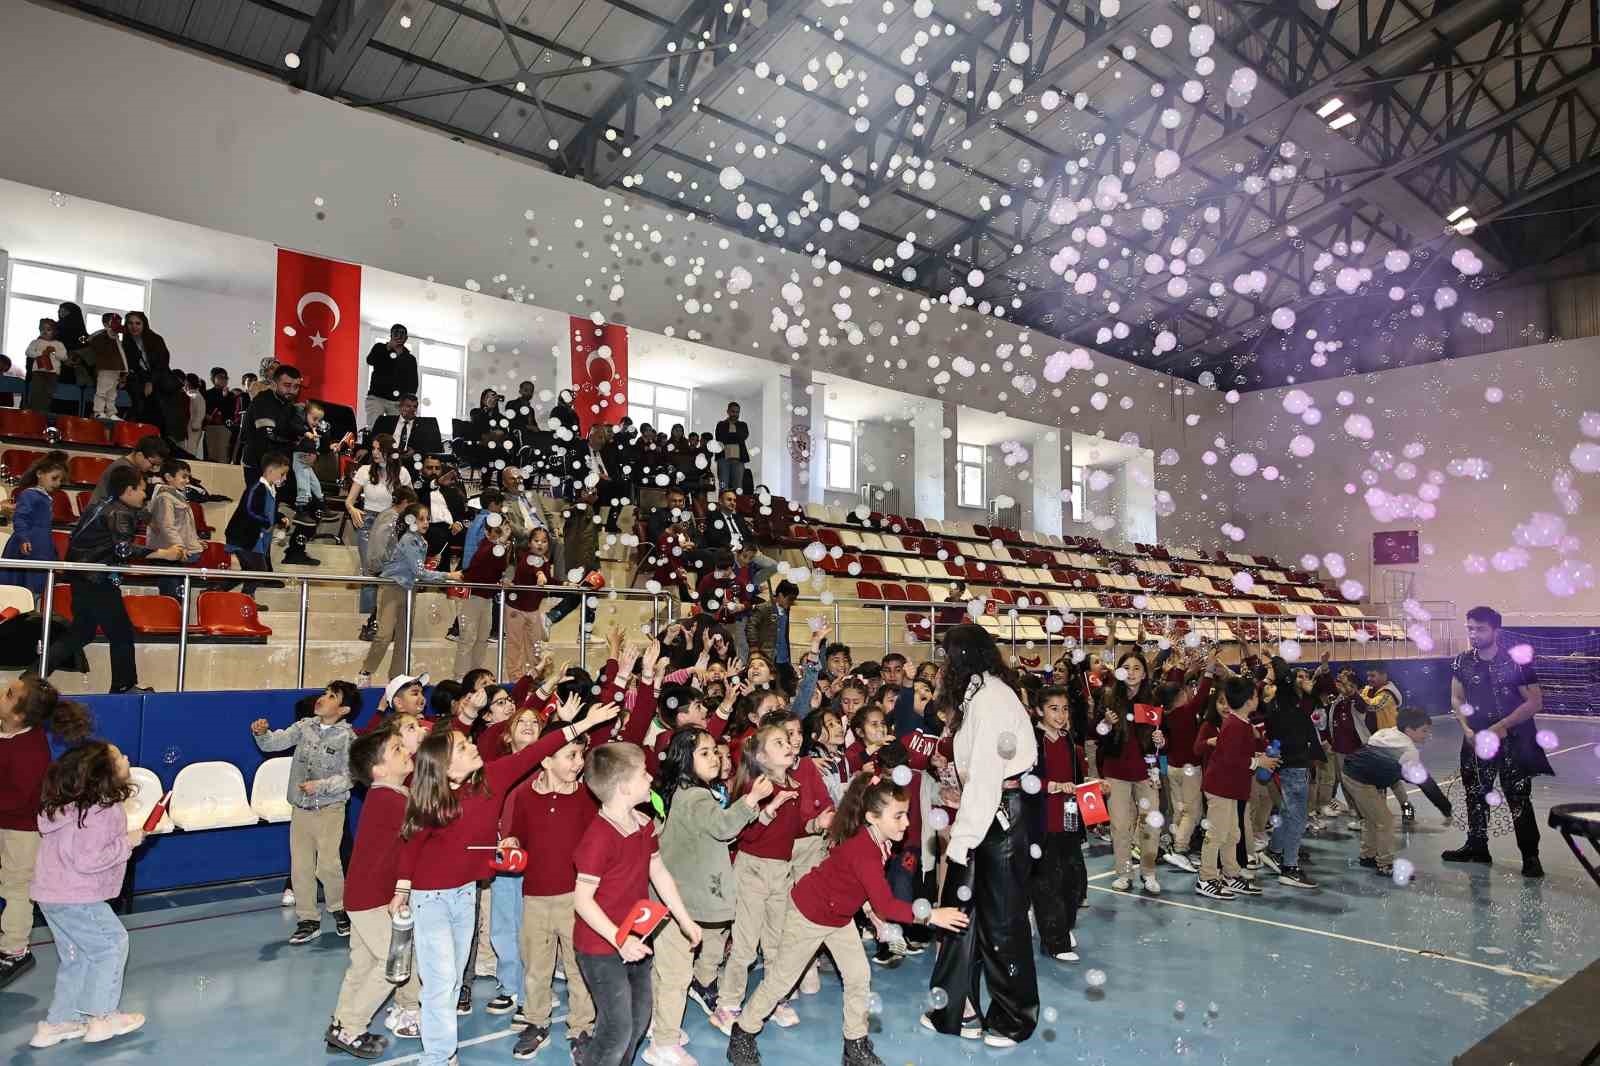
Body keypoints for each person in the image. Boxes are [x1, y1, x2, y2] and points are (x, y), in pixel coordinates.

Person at [389, 704, 621, 1066]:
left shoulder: (492, 781)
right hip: (429, 899)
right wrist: (402, 891)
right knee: (439, 980)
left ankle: (443, 1048)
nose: (474, 746)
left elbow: (536, 751)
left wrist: (584, 724)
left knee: (449, 982)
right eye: (464, 747)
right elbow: (411, 846)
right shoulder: (431, 800)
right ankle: (438, 1056)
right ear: (446, 766)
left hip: (467, 895)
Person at [727, 772, 968, 1066]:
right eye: (899, 816)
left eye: (906, 815)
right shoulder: (864, 850)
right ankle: (743, 1032)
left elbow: (858, 888)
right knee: (781, 981)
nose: (907, 823)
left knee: (858, 976)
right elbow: (888, 903)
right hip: (809, 915)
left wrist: (873, 916)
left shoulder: (880, 842)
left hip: (838, 917)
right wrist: (933, 915)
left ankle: (854, 1045)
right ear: (872, 817)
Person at [923, 623, 1038, 1049]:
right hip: (986, 811)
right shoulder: (977, 696)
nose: (940, 667)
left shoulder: (991, 700)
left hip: (999, 817)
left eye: (946, 657)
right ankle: (951, 1008)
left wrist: (960, 840)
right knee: (959, 914)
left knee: (1002, 921)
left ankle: (1013, 1020)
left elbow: (989, 780)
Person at [572, 742, 701, 1066]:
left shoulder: (643, 824)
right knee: (617, 1026)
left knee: (639, 1017)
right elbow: (582, 901)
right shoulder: (597, 839)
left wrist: (684, 919)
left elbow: (658, 870)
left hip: (637, 937)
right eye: (643, 773)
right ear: (625, 787)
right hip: (600, 947)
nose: (650, 778)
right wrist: (619, 938)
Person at [649, 728, 773, 1063]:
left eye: (714, 751)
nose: (715, 757)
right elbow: (723, 827)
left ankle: (658, 1025)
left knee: (665, 969)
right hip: (679, 901)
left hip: (671, 897)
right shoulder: (696, 797)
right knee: (675, 974)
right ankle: (663, 1043)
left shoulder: (685, 791)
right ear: (684, 759)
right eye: (704, 753)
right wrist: (751, 800)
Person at [26, 740, 146, 1048]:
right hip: (77, 895)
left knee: (77, 957)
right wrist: (128, 842)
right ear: (103, 774)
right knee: (111, 945)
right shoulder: (102, 810)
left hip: (51, 894)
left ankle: (58, 1023)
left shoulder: (66, 805)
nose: (127, 757)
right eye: (120, 756)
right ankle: (103, 1017)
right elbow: (88, 859)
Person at [504, 712, 601, 1060]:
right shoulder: (525, 797)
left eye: (580, 756)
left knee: (579, 967)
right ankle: (536, 1021)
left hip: (577, 898)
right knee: (536, 965)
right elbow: (518, 834)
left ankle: (582, 1025)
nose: (578, 763)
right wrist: (512, 843)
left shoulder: (588, 797)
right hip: (535, 898)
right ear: (546, 759)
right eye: (571, 756)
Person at [326, 727, 423, 1057]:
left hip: (364, 897)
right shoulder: (389, 799)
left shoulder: (388, 796)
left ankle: (341, 1024)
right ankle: (352, 1027)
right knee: (394, 963)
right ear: (378, 769)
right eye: (397, 749)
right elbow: (424, 831)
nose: (405, 751)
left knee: (363, 965)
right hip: (373, 900)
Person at [50, 466, 187, 693]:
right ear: (128, 491)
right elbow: (123, 549)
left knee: (81, 633)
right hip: (97, 580)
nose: (145, 495)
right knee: (121, 632)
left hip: (83, 578)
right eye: (142, 490)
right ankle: (123, 686)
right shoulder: (119, 513)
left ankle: (31, 678)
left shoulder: (103, 505)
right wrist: (164, 553)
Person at [0, 677, 96, 992]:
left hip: (21, 830)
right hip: (5, 823)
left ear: (18, 715)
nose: (1, 690)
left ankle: (15, 950)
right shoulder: (7, 729)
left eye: (9, 693)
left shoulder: (31, 751)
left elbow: (20, 798)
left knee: (16, 887)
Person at [1443, 605, 1553, 877]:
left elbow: (1535, 702)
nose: (1473, 634)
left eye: (1480, 629)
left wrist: (1501, 726)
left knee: (1518, 797)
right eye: (1470, 628)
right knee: (1475, 794)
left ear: (1496, 631)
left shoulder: (1517, 662)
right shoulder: (1462, 661)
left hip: (1514, 740)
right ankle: (1477, 848)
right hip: (1476, 739)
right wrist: (1466, 729)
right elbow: (1456, 698)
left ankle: (1530, 857)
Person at [250, 681, 360, 944]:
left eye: (331, 696)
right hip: (301, 809)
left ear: (343, 709)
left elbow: (351, 776)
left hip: (330, 809)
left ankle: (340, 908)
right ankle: (307, 919)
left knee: (328, 864)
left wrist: (320, 786)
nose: (323, 698)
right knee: (301, 866)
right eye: (324, 693)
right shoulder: (304, 727)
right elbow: (274, 743)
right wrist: (262, 734)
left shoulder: (348, 738)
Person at [357, 503, 463, 687]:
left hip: (409, 590)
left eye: (428, 518)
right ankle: (366, 671)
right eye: (421, 519)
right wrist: (449, 575)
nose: (426, 522)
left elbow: (417, 571)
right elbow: (420, 572)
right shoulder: (408, 540)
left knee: (404, 635)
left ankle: (397, 676)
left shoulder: (421, 541)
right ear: (410, 520)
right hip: (393, 589)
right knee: (384, 634)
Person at [1193, 677, 1278, 900]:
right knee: (1217, 833)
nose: (1258, 699)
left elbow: (1238, 755)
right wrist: (1258, 762)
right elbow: (1231, 759)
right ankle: (1207, 877)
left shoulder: (1241, 723)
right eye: (1256, 695)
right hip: (1220, 788)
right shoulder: (1234, 724)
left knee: (1232, 834)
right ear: (1250, 700)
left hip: (1230, 788)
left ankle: (1230, 873)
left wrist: (1257, 757)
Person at [1343, 707, 1452, 878]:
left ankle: (1368, 856)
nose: (1426, 735)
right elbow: (1426, 783)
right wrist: (1446, 808)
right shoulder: (1409, 752)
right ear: (1409, 730)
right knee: (1385, 821)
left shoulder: (1386, 732)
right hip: (1362, 781)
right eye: (1424, 731)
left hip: (1353, 773)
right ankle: (1385, 865)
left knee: (1371, 819)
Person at [1094, 650, 1164, 893]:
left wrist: (1160, 739)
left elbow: (1162, 741)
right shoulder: (1108, 699)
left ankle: (1149, 872)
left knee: (1150, 827)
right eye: (1127, 667)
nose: (1132, 672)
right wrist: (1107, 725)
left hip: (1146, 774)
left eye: (1137, 668)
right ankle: (1124, 873)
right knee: (1120, 827)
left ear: (1144, 673)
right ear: (1119, 671)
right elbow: (1096, 735)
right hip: (1116, 773)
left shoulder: (1152, 701)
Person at [1027, 686, 1086, 963]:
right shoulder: (1031, 741)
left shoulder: (1067, 740)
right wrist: (1050, 786)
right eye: (1053, 708)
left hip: (1069, 818)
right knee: (1048, 883)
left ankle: (1061, 926)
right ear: (1039, 710)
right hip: (1042, 823)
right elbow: (1021, 780)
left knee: (1073, 880)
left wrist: (1095, 788)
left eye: (1064, 709)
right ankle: (1055, 942)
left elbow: (1076, 780)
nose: (1061, 715)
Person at [1260, 660, 1324, 889]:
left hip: (1292, 761)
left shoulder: (1284, 701)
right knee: (1297, 817)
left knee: (1289, 812)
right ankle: (1289, 868)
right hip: (1294, 763)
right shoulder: (1283, 699)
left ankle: (1275, 851)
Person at [344, 434, 414, 631]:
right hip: (368, 523)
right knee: (370, 572)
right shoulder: (365, 471)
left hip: (394, 524)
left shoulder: (403, 473)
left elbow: (412, 502)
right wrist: (353, 509)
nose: (374, 452)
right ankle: (368, 621)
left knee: (393, 573)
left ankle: (389, 619)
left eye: (378, 449)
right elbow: (349, 500)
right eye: (373, 448)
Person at [0, 451, 68, 595]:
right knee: (21, 591)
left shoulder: (46, 498)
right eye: (54, 478)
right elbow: (20, 518)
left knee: (37, 590)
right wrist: (23, 538)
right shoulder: (29, 494)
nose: (57, 484)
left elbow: (46, 532)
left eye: (60, 480)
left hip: (41, 547)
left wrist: (54, 558)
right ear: (39, 474)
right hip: (27, 547)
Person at [224, 453, 290, 598]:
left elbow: (267, 511)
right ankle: (244, 597)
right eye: (282, 474)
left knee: (250, 571)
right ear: (270, 471)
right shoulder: (256, 488)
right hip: (244, 537)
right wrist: (268, 522)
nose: (284, 478)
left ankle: (230, 594)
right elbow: (250, 510)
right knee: (258, 569)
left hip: (254, 539)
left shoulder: (270, 490)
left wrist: (279, 517)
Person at [146, 459, 209, 599]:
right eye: (184, 476)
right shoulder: (165, 498)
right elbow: (167, 526)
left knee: (178, 597)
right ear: (168, 477)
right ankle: (169, 620)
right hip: (168, 554)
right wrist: (180, 548)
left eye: (188, 477)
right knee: (172, 597)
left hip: (175, 554)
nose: (187, 481)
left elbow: (184, 526)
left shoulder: (177, 496)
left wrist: (196, 541)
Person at [456, 516, 509, 678]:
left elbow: (499, 569)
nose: (501, 535)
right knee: (468, 640)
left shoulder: (499, 549)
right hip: (473, 598)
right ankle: (460, 677)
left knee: (482, 639)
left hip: (486, 599)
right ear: (487, 532)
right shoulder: (485, 547)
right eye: (497, 531)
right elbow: (481, 565)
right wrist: (500, 544)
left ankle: (475, 677)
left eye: (503, 531)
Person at [1360, 665, 1412, 822]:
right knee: (1390, 779)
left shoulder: (1388, 694)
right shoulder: (1371, 690)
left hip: (1389, 742)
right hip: (1377, 741)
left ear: (1384, 675)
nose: (1369, 679)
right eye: (1368, 675)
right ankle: (1403, 808)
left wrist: (1356, 694)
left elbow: (1372, 705)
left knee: (1384, 779)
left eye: (1373, 675)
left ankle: (1389, 812)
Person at [503, 526, 555, 679]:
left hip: (533, 610)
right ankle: (515, 679)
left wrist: (566, 583)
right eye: (536, 540)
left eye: (544, 541)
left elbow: (548, 579)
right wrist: (539, 574)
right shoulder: (525, 557)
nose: (540, 544)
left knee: (535, 646)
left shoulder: (545, 561)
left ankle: (534, 678)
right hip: (515, 608)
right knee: (515, 645)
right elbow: (532, 569)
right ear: (530, 543)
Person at [241, 364, 303, 486]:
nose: (292, 391)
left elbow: (294, 434)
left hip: (279, 464)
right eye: (287, 385)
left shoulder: (288, 404)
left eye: (296, 387)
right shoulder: (263, 401)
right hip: (260, 466)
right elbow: (265, 438)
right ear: (274, 385)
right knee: (261, 503)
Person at [89, 433, 169, 506]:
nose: (154, 468)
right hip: (103, 517)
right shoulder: (122, 469)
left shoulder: (134, 468)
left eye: (158, 465)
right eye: (153, 464)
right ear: (140, 455)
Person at [120, 312, 171, 425]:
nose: (134, 327)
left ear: (144, 324)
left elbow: (162, 364)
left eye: (138, 323)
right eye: (130, 323)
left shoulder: (156, 339)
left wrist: (151, 381)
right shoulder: (126, 342)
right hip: (139, 379)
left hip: (158, 378)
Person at [747, 579, 798, 690]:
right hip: (767, 656)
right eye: (790, 599)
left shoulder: (788, 611)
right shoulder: (763, 608)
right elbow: (751, 627)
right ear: (780, 595)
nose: (791, 602)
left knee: (788, 687)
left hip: (783, 657)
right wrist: (754, 648)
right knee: (766, 688)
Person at [366, 324, 417, 427]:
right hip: (377, 398)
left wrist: (408, 401)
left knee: (396, 430)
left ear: (406, 338)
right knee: (375, 428)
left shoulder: (410, 359)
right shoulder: (379, 347)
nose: (399, 336)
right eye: (396, 333)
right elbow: (370, 360)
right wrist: (388, 347)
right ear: (391, 335)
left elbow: (413, 382)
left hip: (398, 402)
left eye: (402, 334)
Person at [85, 312, 129, 420]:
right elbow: (91, 342)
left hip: (116, 368)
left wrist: (124, 369)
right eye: (114, 322)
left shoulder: (117, 338)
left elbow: (121, 353)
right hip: (105, 368)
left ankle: (111, 412)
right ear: (105, 324)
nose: (117, 325)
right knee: (102, 391)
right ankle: (98, 411)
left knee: (112, 393)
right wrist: (109, 332)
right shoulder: (101, 336)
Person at [373, 394, 443, 458]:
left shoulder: (425, 425)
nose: (412, 409)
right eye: (408, 406)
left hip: (412, 460)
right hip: (387, 458)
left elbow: (435, 447)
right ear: (400, 407)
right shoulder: (384, 421)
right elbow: (373, 439)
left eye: (415, 407)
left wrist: (415, 452)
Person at [25, 317, 64, 413]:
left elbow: (64, 357)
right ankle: (34, 413)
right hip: (38, 372)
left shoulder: (58, 344)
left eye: (48, 329)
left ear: (54, 331)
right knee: (36, 393)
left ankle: (43, 414)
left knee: (48, 394)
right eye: (42, 329)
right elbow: (28, 352)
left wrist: (54, 352)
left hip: (53, 373)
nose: (45, 332)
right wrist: (41, 353)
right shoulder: (35, 342)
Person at [714, 402, 750, 493]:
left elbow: (743, 436)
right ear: (728, 411)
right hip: (723, 459)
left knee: (738, 487)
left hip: (739, 459)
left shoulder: (743, 425)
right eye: (733, 411)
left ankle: (737, 506)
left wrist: (729, 436)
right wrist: (735, 436)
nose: (735, 414)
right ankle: (723, 506)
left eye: (737, 412)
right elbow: (720, 438)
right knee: (723, 485)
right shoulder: (721, 424)